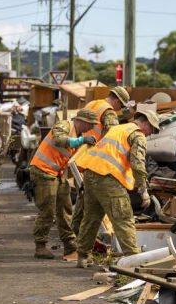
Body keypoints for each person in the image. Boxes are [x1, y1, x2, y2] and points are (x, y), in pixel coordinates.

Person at [74, 110, 159, 268]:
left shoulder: (118, 128)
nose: (149, 134)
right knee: (123, 217)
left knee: (91, 217)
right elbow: (137, 163)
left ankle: (83, 256)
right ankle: (133, 259)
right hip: (107, 178)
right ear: (145, 123)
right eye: (151, 130)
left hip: (90, 174)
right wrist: (143, 189)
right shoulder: (137, 135)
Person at [29, 108, 99, 259]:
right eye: (90, 124)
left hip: (57, 174)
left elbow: (73, 163)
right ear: (80, 121)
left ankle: (70, 245)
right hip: (43, 172)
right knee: (47, 211)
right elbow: (58, 140)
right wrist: (81, 141)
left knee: (65, 209)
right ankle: (40, 246)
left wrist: (81, 183)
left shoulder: (79, 136)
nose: (92, 128)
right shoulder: (65, 125)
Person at [70, 86, 130, 236]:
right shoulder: (108, 112)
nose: (119, 109)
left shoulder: (93, 104)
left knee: (83, 197)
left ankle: (74, 234)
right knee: (93, 200)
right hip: (97, 161)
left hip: (82, 155)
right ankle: (81, 236)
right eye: (121, 105)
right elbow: (114, 136)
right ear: (116, 99)